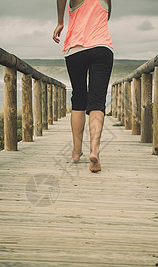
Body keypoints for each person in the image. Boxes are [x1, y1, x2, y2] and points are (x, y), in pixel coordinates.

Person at [53, 0, 114, 172]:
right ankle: (94, 151)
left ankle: (77, 151)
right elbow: (106, 15)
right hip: (101, 48)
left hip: (75, 50)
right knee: (97, 100)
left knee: (79, 98)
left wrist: (60, 21)